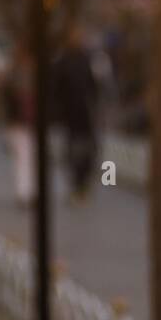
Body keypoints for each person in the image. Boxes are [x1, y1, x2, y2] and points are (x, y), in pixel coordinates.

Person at [54, 22, 99, 200]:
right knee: (73, 151)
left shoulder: (85, 59)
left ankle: (83, 184)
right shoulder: (62, 61)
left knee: (87, 150)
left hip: (85, 114)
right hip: (70, 115)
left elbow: (93, 85)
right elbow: (56, 88)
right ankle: (75, 184)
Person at [2, 47, 35, 206]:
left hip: (24, 122)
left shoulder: (15, 75)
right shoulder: (14, 76)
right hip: (19, 122)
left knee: (25, 158)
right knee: (23, 157)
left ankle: (26, 191)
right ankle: (24, 192)